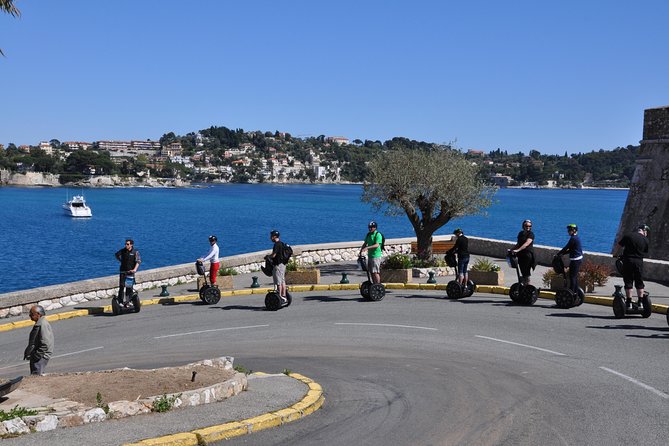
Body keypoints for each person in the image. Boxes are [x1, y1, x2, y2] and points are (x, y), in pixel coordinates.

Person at [616, 224, 650, 307]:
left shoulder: (628, 236)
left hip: (628, 261)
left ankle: (629, 302)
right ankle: (640, 302)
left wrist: (615, 254)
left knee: (628, 281)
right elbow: (645, 251)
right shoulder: (646, 240)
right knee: (639, 282)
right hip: (639, 262)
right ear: (644, 231)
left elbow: (619, 245)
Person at [24, 305, 54, 376]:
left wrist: (37, 356)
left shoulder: (42, 324)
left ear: (38, 314)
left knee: (36, 376)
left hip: (40, 357)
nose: (30, 315)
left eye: (32, 314)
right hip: (38, 356)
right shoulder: (40, 323)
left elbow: (45, 343)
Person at [557, 224, 583, 293]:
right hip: (578, 259)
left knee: (572, 277)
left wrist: (559, 253)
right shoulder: (576, 238)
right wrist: (562, 253)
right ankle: (575, 291)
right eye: (568, 230)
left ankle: (572, 292)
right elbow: (571, 249)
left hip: (575, 260)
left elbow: (566, 247)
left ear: (574, 230)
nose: (568, 231)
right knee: (574, 276)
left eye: (570, 230)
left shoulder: (573, 239)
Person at [115, 239, 141, 303]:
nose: (126, 245)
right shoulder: (123, 251)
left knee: (129, 287)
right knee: (121, 286)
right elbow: (116, 255)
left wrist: (135, 269)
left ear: (131, 245)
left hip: (130, 272)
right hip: (123, 271)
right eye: (125, 244)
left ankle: (128, 301)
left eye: (127, 244)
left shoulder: (135, 252)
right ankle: (120, 301)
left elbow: (138, 261)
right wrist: (121, 260)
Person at [510, 219, 536, 284]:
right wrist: (512, 249)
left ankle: (528, 287)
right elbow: (518, 244)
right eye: (526, 226)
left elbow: (527, 243)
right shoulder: (520, 234)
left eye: (530, 226)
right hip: (521, 255)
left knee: (526, 273)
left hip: (528, 255)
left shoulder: (531, 234)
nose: (528, 227)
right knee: (522, 272)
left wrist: (518, 250)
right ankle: (524, 286)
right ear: (523, 226)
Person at [270, 230, 288, 303]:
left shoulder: (277, 244)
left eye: (271, 236)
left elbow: (274, 255)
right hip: (283, 264)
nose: (270, 238)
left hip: (278, 265)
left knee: (278, 282)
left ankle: (279, 297)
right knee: (282, 281)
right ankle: (284, 296)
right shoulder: (282, 243)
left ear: (274, 236)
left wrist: (268, 256)